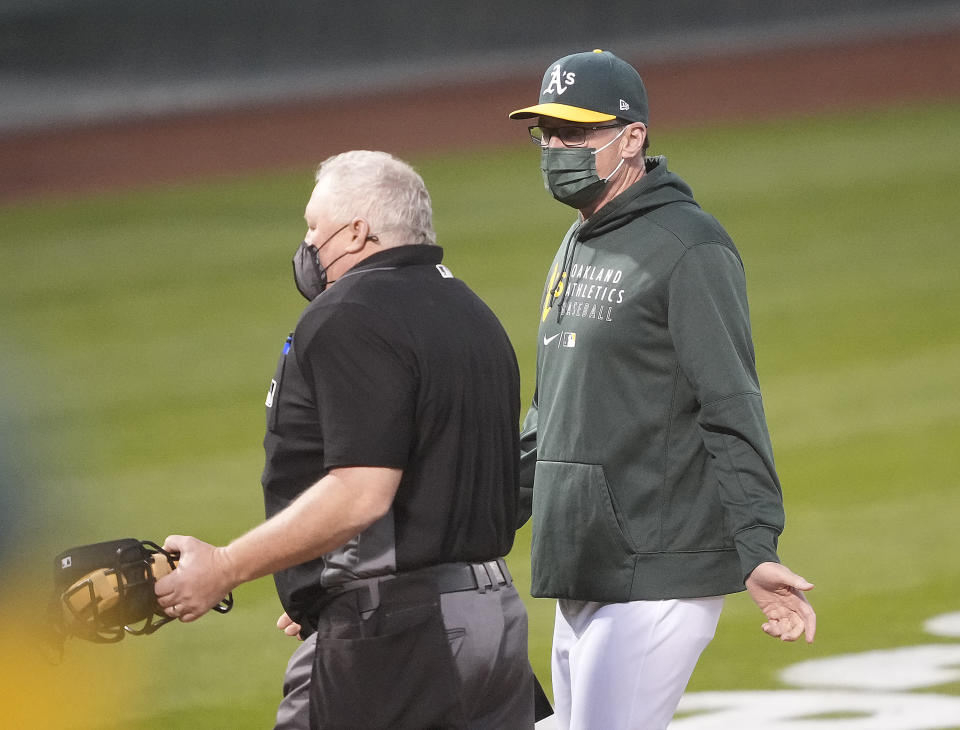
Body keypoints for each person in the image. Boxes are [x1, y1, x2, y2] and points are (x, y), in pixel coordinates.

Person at [154, 150, 535, 729]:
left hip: (401, 636)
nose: (307, 245)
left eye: (313, 226)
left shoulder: (349, 314)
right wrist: (324, 583)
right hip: (493, 620)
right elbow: (456, 477)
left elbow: (361, 494)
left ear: (357, 232)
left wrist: (226, 567)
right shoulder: (472, 313)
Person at [508, 50, 817, 729]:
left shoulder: (689, 248)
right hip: (583, 565)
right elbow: (551, 410)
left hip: (656, 572)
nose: (556, 149)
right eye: (547, 134)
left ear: (633, 137)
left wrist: (757, 547)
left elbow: (730, 404)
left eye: (576, 133)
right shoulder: (577, 241)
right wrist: (479, 518)